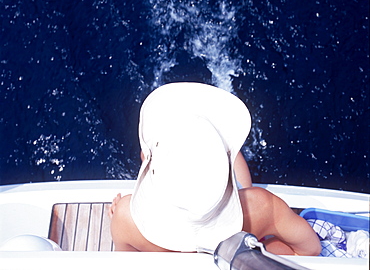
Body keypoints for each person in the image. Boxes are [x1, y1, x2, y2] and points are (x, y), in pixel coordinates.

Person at [109, 82, 321, 256]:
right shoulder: (262, 207)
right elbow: (310, 249)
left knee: (150, 154)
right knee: (232, 155)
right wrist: (265, 248)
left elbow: (126, 262)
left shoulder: (125, 217)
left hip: (164, 251)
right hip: (234, 244)